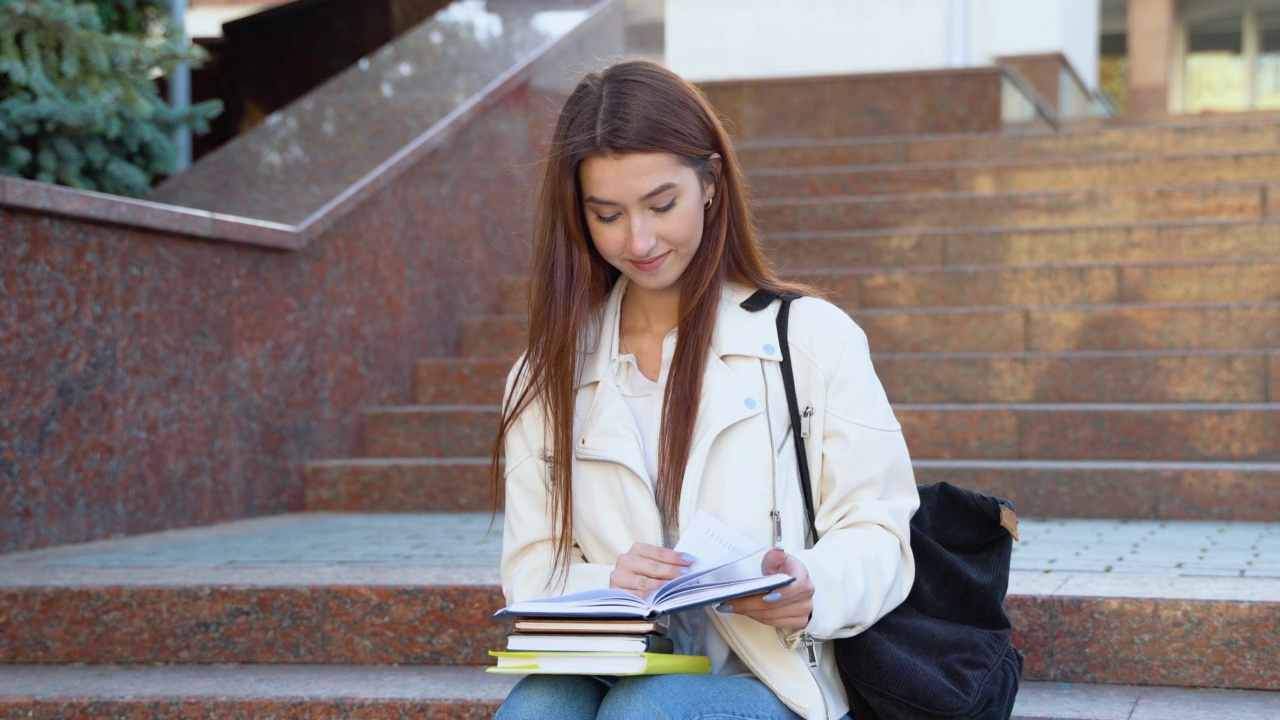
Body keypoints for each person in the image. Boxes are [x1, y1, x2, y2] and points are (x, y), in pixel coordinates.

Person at [490, 59, 920, 720]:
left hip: (775, 677)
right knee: (536, 712)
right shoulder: (544, 375)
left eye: (662, 205)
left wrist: (812, 585)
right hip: (619, 663)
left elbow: (880, 530)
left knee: (650, 711)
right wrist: (610, 580)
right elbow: (528, 570)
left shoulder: (809, 338)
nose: (640, 240)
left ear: (711, 183)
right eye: (607, 215)